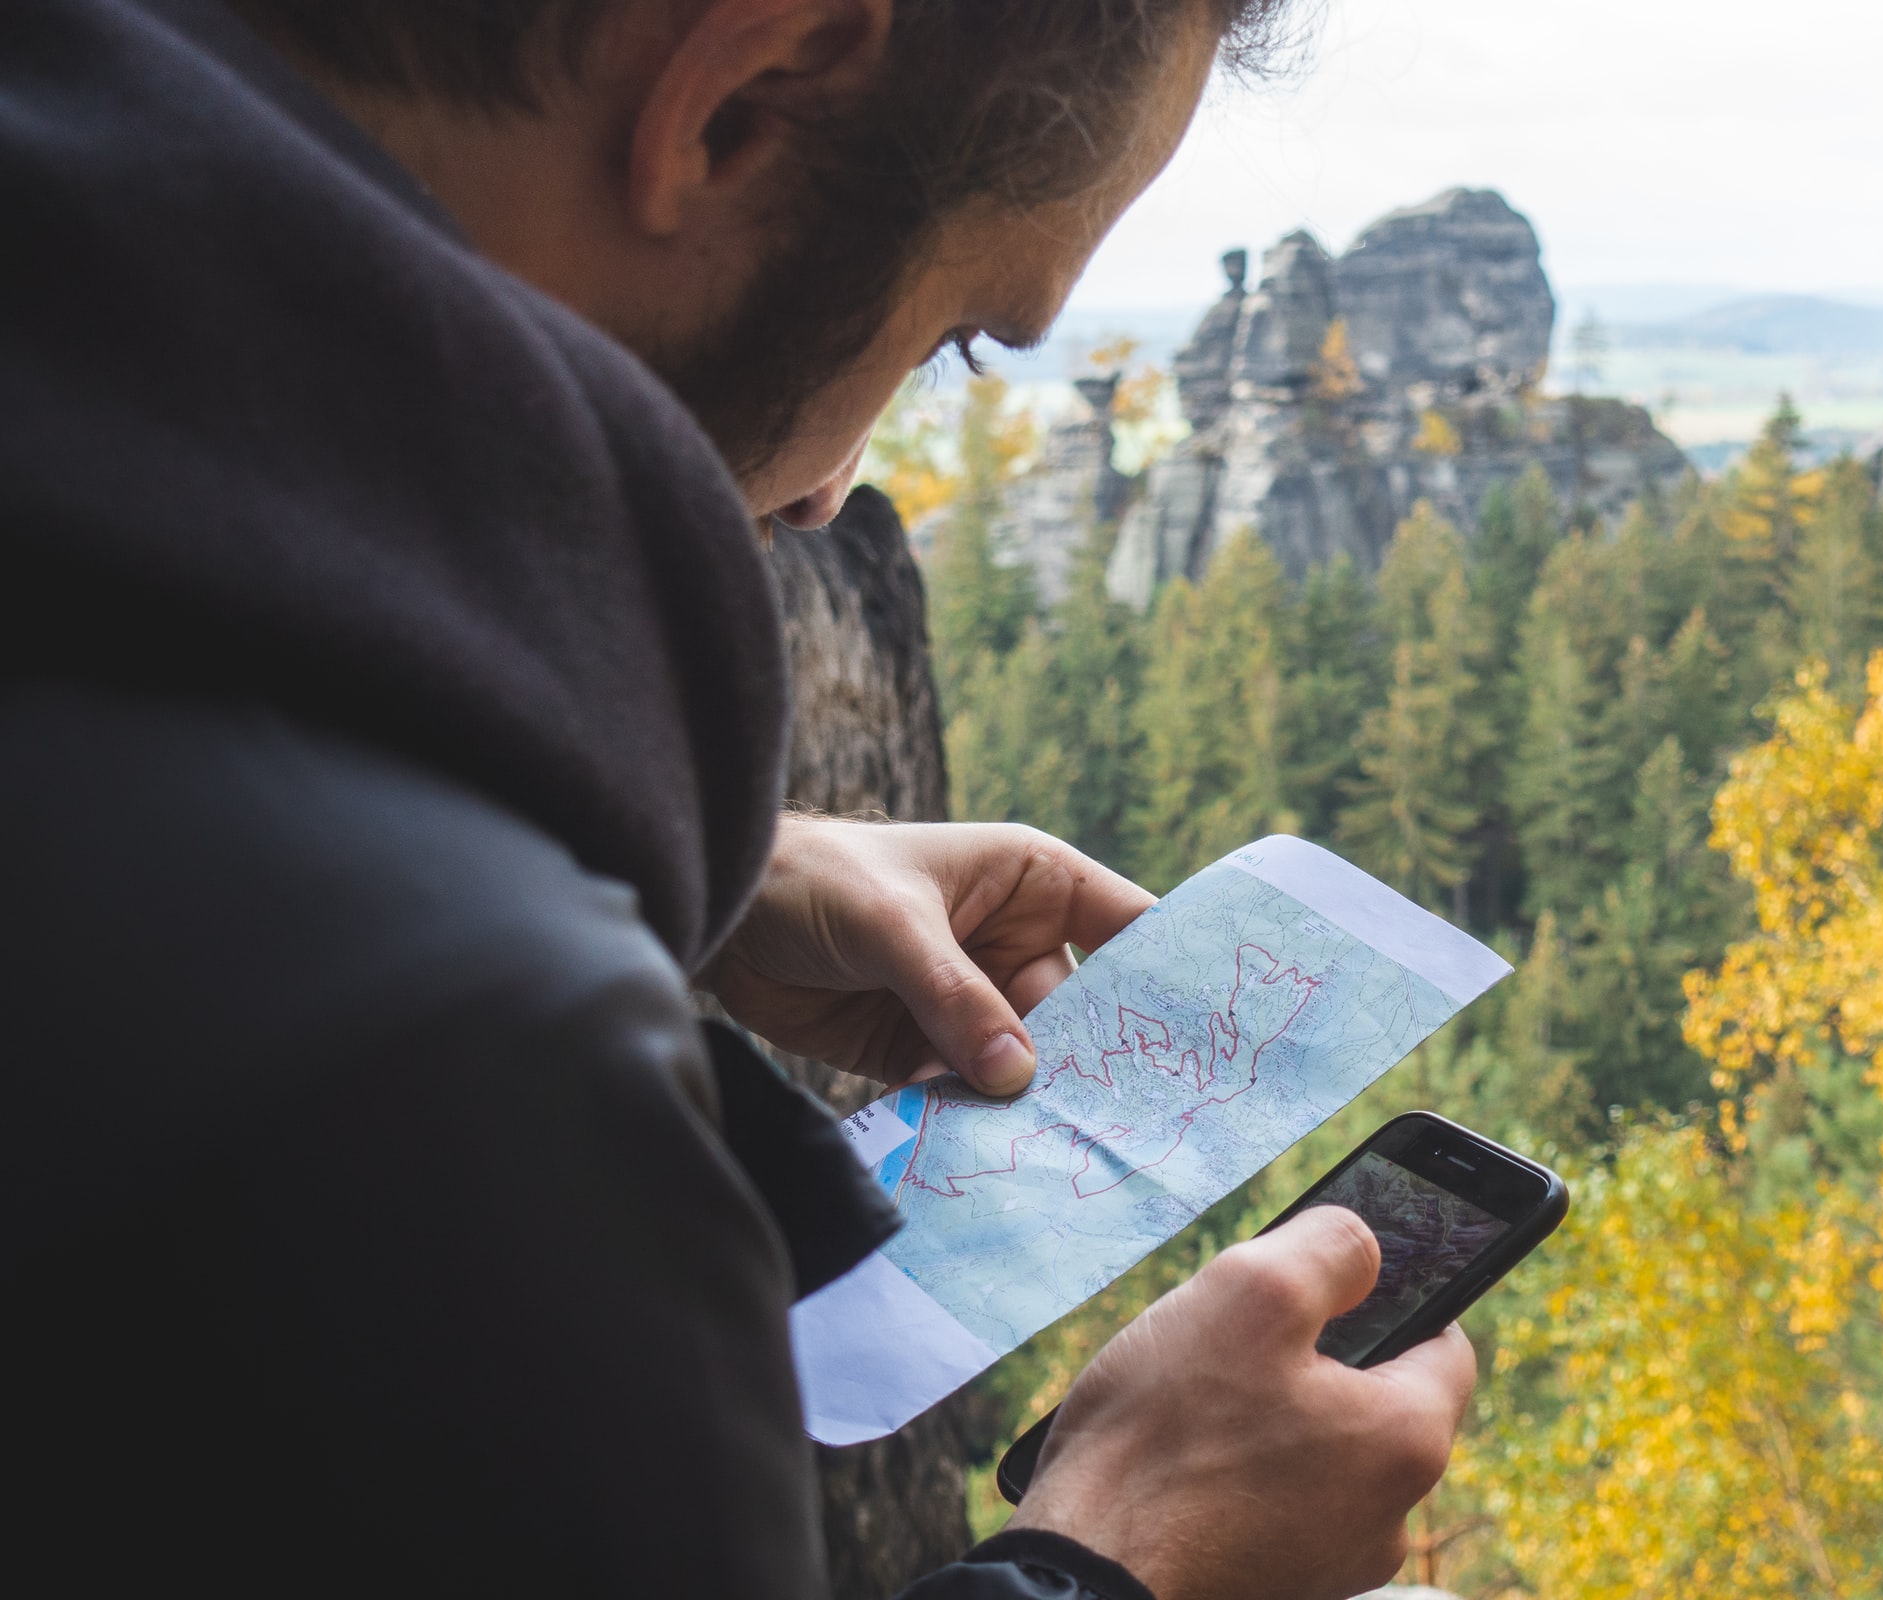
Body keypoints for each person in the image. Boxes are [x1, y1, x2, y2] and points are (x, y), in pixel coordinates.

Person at [0, 1, 1478, 1597]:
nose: (841, 484)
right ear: (735, 104)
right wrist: (1118, 1556)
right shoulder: (460, 1104)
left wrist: (685, 874)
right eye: (955, 332)